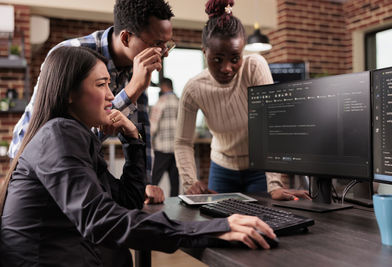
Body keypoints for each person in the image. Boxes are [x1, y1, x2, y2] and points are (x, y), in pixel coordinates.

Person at [0, 46, 277, 267]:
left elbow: (128, 200)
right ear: (70, 93)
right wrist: (210, 230)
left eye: (109, 84)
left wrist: (132, 138)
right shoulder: (58, 135)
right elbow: (102, 221)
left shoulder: (70, 136)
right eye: (101, 85)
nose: (111, 95)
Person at [8, 0, 173, 204]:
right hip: (36, 177)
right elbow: (59, 137)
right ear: (126, 37)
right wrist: (132, 90)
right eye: (157, 44)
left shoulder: (136, 67)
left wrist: (145, 183)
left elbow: (141, 130)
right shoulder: (73, 54)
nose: (164, 52)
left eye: (167, 45)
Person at [174, 0, 310, 200]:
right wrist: (189, 182)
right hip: (222, 167)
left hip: (259, 167)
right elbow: (183, 142)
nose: (227, 67)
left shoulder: (254, 67)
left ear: (243, 53)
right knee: (220, 224)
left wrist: (275, 184)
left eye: (235, 58)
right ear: (205, 52)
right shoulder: (194, 89)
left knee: (266, 220)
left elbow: (270, 124)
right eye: (218, 59)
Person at [150, 78, 180, 196]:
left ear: (163, 86)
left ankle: (149, 203)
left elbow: (153, 127)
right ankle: (175, 209)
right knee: (175, 182)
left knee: (154, 181)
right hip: (176, 148)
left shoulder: (161, 101)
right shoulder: (179, 101)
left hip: (162, 147)